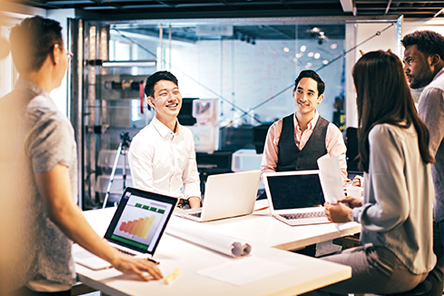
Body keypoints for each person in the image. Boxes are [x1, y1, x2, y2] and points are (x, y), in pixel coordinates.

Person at [0, 16, 162, 296]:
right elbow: (60, 208)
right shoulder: (47, 117)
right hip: (39, 273)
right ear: (55, 53)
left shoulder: (6, 106)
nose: (67, 59)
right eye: (67, 52)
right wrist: (119, 259)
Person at [303, 50, 436, 295]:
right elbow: (403, 199)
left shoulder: (383, 133)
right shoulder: (413, 128)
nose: (355, 92)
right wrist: (362, 203)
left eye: (358, 85)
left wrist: (349, 215)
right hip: (420, 259)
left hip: (392, 261)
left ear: (370, 87)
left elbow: (393, 211)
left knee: (303, 277)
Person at [402, 30, 444, 296]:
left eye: (411, 60)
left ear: (434, 59)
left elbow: (422, 155)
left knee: (431, 282)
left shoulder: (434, 92)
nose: (407, 68)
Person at [128, 71, 201, 209]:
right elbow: (146, 195)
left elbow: (191, 180)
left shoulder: (186, 134)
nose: (172, 98)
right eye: (164, 94)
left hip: (183, 211)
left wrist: (196, 213)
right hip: (157, 213)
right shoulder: (143, 141)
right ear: (151, 101)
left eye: (175, 92)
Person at [260, 70, 347, 182]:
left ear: (320, 99)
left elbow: (340, 175)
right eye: (300, 91)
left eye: (310, 93)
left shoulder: (331, 132)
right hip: (281, 195)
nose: (303, 98)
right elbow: (267, 168)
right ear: (293, 92)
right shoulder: (276, 128)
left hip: (317, 197)